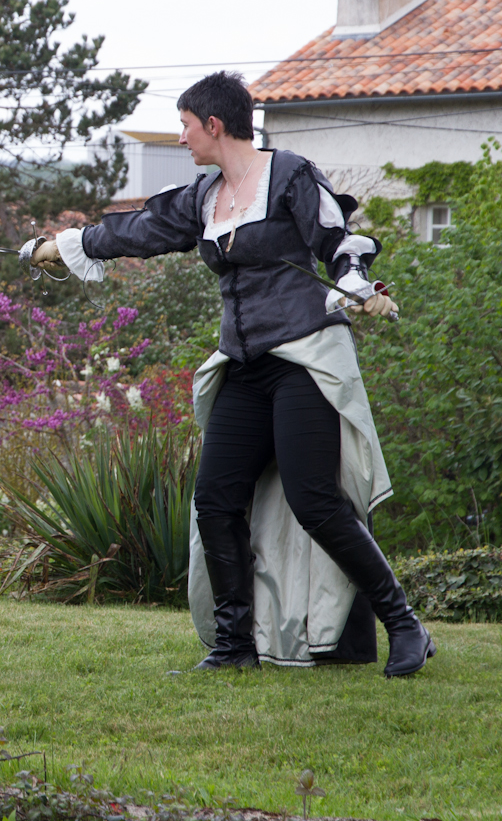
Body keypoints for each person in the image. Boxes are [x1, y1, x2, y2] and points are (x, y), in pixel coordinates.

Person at [24, 71, 435, 677]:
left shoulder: (291, 174)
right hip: (243, 366)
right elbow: (142, 228)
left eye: (186, 126)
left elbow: (338, 242)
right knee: (215, 501)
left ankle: (404, 625)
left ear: (214, 125)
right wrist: (67, 244)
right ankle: (234, 645)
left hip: (303, 359)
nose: (182, 138)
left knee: (314, 500)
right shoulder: (204, 196)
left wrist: (358, 286)